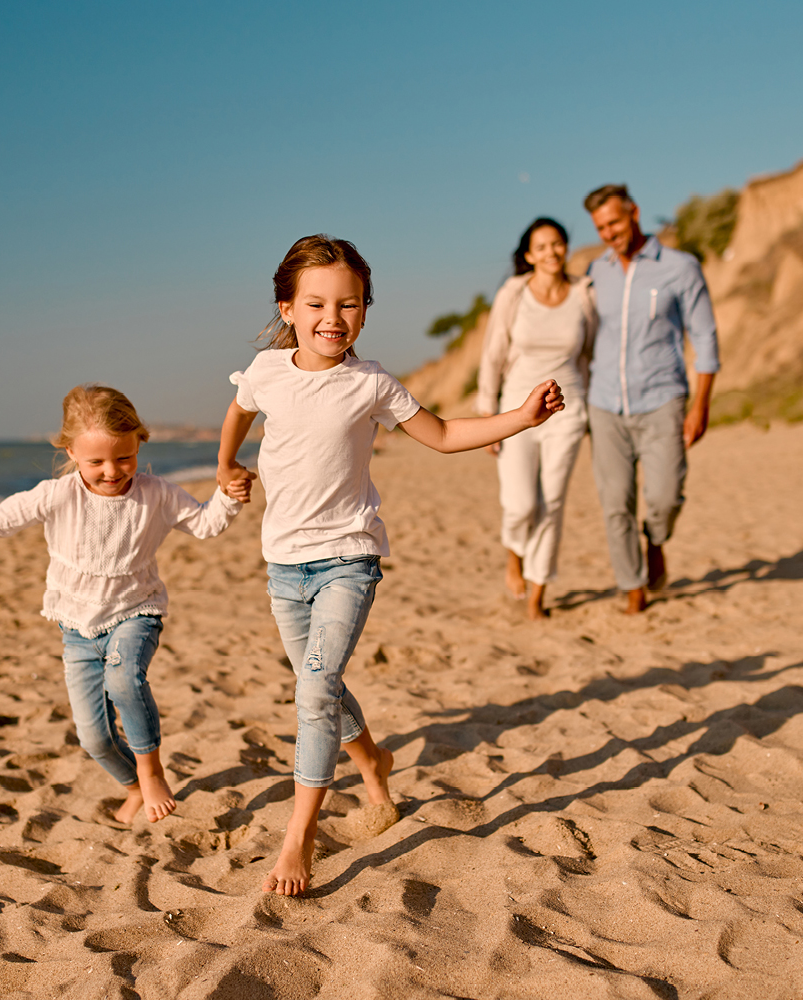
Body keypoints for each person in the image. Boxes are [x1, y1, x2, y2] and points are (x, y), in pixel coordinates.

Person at [216, 234, 564, 895]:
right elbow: (238, 410)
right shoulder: (266, 371)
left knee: (314, 692)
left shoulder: (370, 382)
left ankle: (300, 837)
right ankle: (372, 763)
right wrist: (225, 464)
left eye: (349, 304)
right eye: (316, 303)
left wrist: (520, 417)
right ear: (287, 307)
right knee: (325, 688)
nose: (333, 318)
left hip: (350, 556)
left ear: (365, 310)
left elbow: (443, 436)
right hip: (283, 566)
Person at [0, 384, 252, 823]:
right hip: (77, 628)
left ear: (140, 440)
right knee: (94, 740)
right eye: (95, 461)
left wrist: (229, 496)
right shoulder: (56, 495)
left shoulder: (157, 493)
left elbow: (205, 523)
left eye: (124, 458)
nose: (112, 471)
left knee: (123, 680)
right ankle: (133, 786)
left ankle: (152, 770)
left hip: (136, 612)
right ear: (70, 451)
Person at [583, 185, 720, 614]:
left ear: (634, 213)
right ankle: (633, 585)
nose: (609, 233)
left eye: (615, 223)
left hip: (663, 399)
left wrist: (701, 404)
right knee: (615, 502)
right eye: (601, 227)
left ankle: (656, 539)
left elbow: (705, 336)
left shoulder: (680, 268)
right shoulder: (594, 272)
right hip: (605, 404)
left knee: (664, 497)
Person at [477, 217, 598, 619]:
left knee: (554, 502)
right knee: (521, 503)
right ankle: (514, 556)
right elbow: (493, 354)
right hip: (516, 408)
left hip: (568, 408)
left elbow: (590, 353)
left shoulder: (583, 292)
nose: (551, 252)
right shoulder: (513, 293)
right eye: (541, 246)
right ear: (529, 255)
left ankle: (538, 592)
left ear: (566, 248)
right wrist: (487, 415)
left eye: (557, 244)